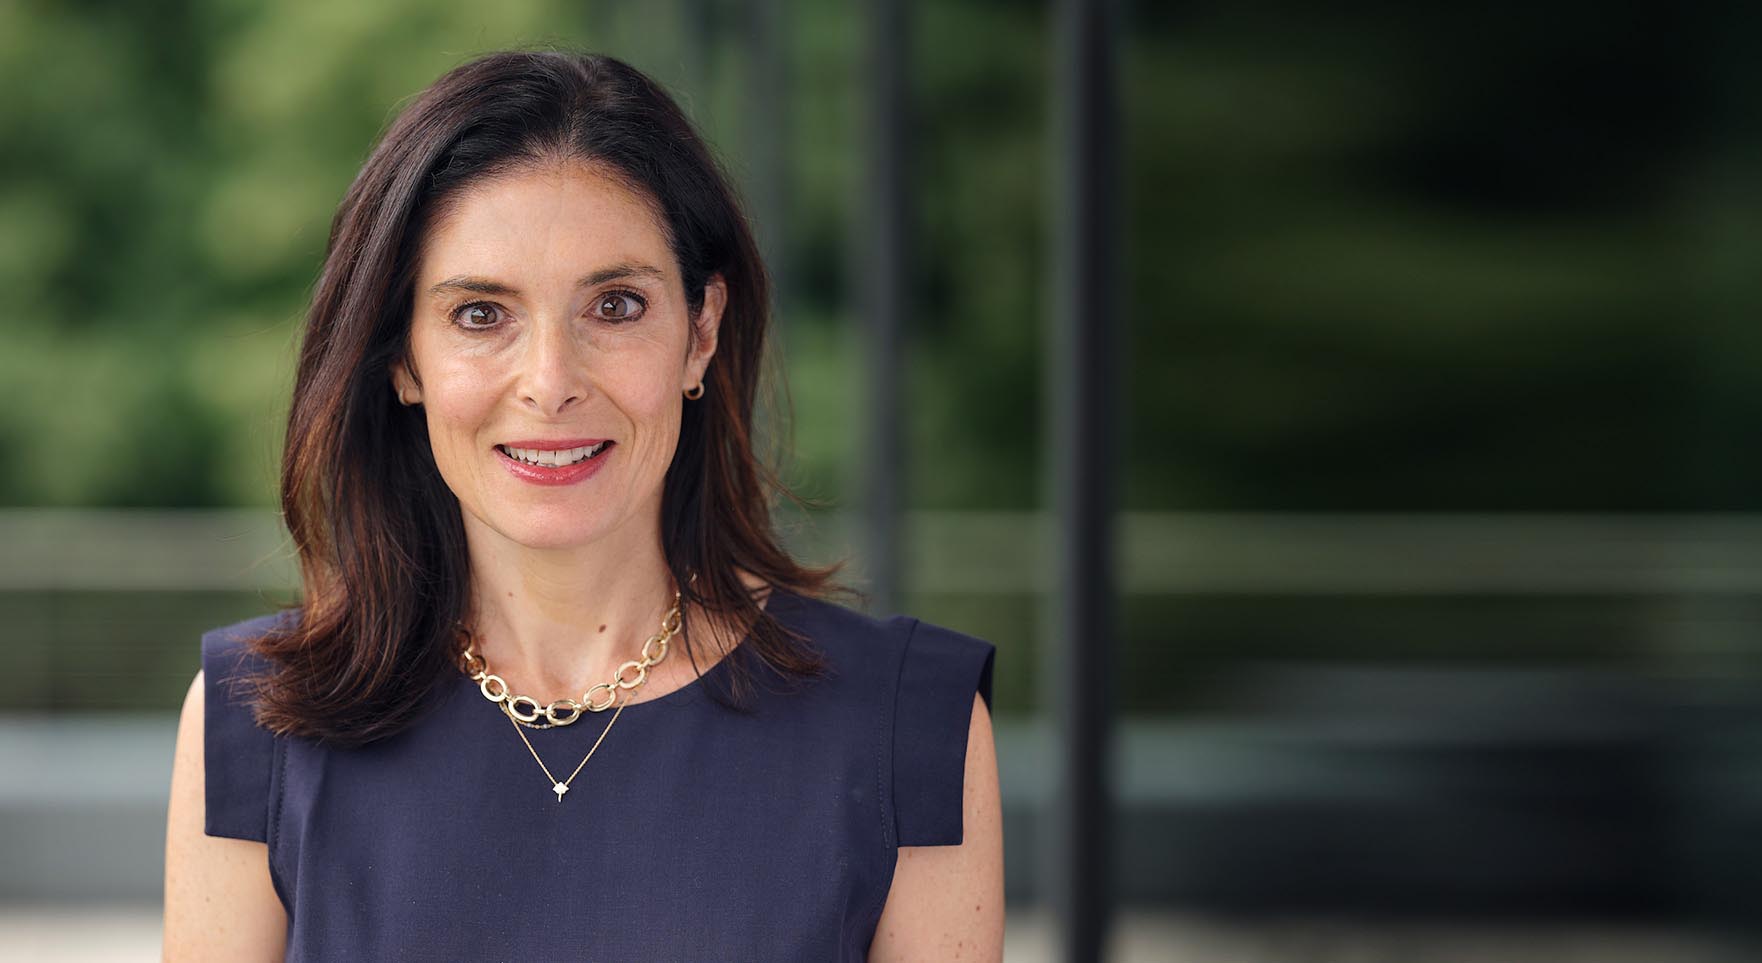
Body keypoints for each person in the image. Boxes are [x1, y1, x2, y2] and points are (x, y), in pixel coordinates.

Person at [162, 49, 1001, 961]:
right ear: (402, 357)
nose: (550, 382)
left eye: (616, 304)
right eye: (482, 314)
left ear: (701, 332)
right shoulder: (257, 723)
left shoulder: (909, 729)